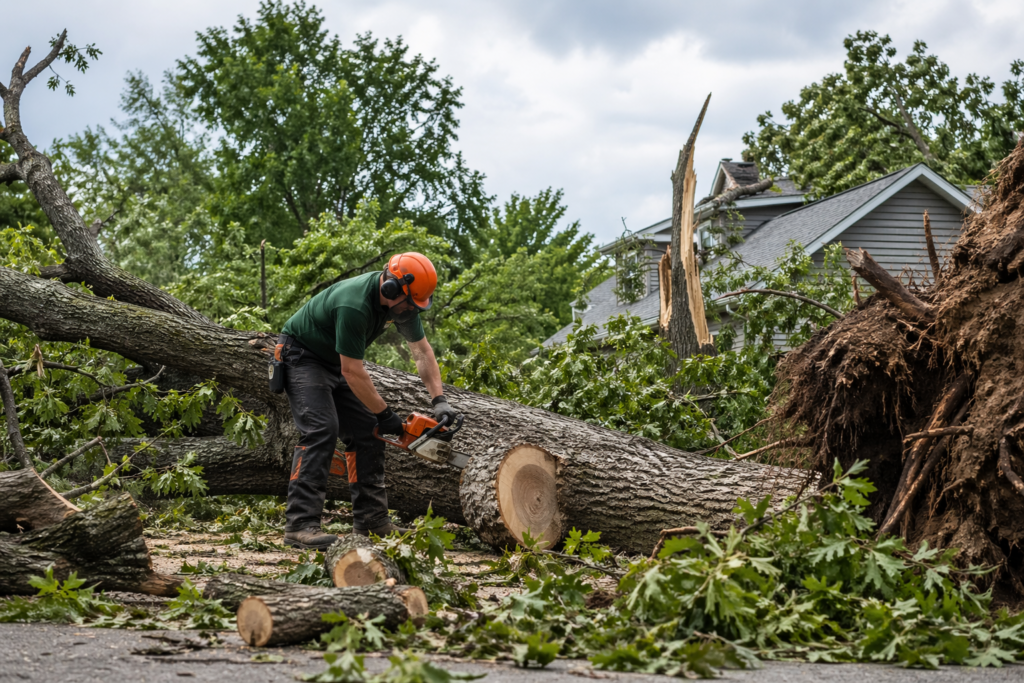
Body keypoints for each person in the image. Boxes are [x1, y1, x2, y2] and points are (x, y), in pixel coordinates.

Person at [276, 252, 459, 549]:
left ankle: (372, 520)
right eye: (409, 303)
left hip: (333, 362)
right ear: (391, 288)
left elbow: (422, 352)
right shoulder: (354, 304)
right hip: (302, 357)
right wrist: (386, 415)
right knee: (321, 429)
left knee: (368, 431)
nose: (411, 311)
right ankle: (299, 525)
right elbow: (352, 371)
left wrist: (439, 400)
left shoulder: (402, 306)